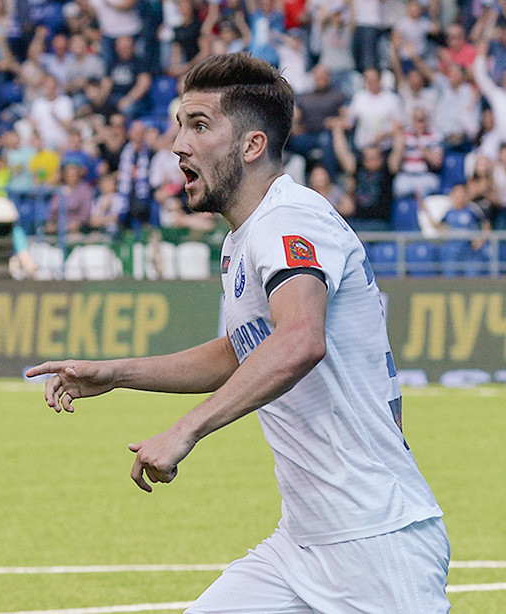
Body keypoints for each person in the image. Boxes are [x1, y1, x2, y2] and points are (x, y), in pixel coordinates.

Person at [26, 53, 450, 613]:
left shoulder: (288, 219)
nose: (179, 144)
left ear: (252, 145)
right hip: (302, 542)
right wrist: (116, 373)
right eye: (180, 124)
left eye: (199, 125)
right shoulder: (244, 238)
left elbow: (300, 340)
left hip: (374, 541)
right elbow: (240, 351)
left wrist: (186, 430)